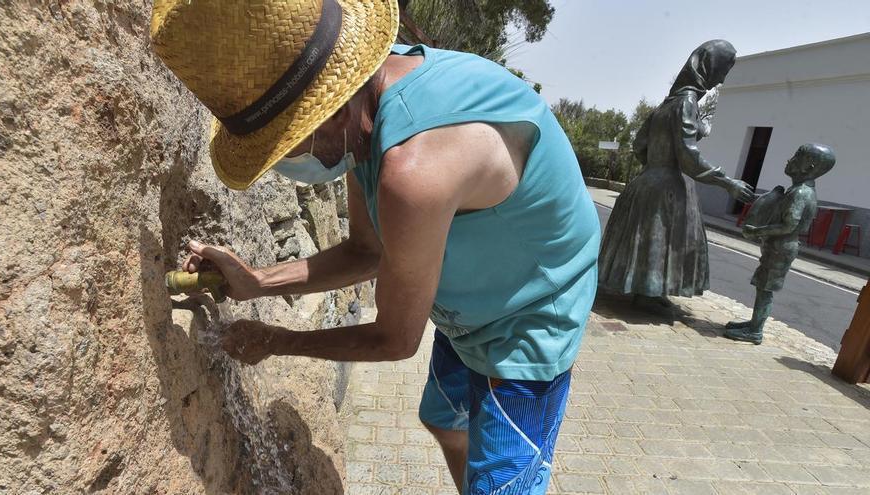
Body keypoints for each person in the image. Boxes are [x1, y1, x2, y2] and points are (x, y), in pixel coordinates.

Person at [150, 1, 600, 493]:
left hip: (530, 310)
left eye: (290, 145)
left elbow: (395, 340)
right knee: (446, 421)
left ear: (333, 108)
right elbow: (367, 252)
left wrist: (278, 341)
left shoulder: (412, 169)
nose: (294, 163)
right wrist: (257, 282)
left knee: (504, 481)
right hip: (469, 300)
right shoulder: (372, 108)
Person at [596, 40, 754, 316]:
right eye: (722, 69)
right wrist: (727, 182)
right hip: (668, 185)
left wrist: (654, 168)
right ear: (708, 67)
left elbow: (639, 145)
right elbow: (688, 157)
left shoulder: (665, 104)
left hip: (647, 181)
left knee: (649, 238)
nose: (722, 79)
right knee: (661, 238)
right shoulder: (687, 103)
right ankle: (646, 294)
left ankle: (649, 290)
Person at [725, 144, 836, 344]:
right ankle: (753, 323)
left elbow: (788, 225)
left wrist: (757, 231)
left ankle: (755, 331)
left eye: (796, 156)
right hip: (777, 247)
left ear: (808, 166)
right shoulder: (797, 190)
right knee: (762, 286)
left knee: (765, 289)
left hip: (781, 248)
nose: (789, 159)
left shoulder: (800, 193)